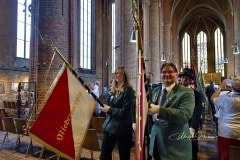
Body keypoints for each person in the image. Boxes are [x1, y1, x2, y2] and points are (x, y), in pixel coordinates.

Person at [148, 63, 195, 160]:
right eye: (164, 72)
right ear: (160, 74)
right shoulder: (155, 91)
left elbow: (184, 116)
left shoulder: (186, 92)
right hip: (156, 140)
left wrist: (159, 109)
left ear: (176, 74)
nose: (167, 74)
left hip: (174, 143)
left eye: (170, 72)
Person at [100, 66, 136, 160]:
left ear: (125, 75)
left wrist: (109, 110)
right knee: (104, 156)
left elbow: (125, 112)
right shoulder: (113, 90)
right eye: (116, 73)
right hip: (109, 126)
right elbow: (108, 105)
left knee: (124, 156)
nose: (118, 75)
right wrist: (105, 108)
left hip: (122, 128)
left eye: (120, 73)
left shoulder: (128, 90)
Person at [211, 76, 240, 160]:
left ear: (232, 86)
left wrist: (220, 88)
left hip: (226, 132)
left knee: (225, 155)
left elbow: (212, 99)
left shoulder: (225, 97)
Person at [178, 68, 203, 160]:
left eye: (187, 78)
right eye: (183, 78)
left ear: (191, 80)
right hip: (178, 124)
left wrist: (192, 127)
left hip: (191, 124)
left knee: (192, 148)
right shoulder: (176, 92)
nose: (184, 80)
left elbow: (197, 111)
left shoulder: (196, 94)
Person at [145, 72, 161, 160]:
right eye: (146, 77)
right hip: (146, 119)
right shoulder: (143, 89)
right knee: (147, 141)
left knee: (155, 141)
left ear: (152, 77)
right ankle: (148, 157)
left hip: (155, 119)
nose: (147, 78)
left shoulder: (157, 88)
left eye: (149, 76)